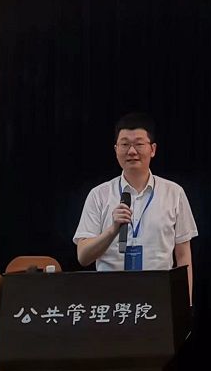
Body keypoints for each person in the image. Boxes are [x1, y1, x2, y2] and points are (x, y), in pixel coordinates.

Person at [73, 112, 198, 302]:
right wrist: (112, 230)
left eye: (139, 144)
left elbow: (183, 257)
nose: (132, 151)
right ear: (116, 150)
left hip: (158, 300)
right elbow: (83, 257)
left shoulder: (174, 193)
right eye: (125, 144)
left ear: (153, 149)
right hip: (109, 300)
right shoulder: (99, 195)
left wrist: (184, 304)